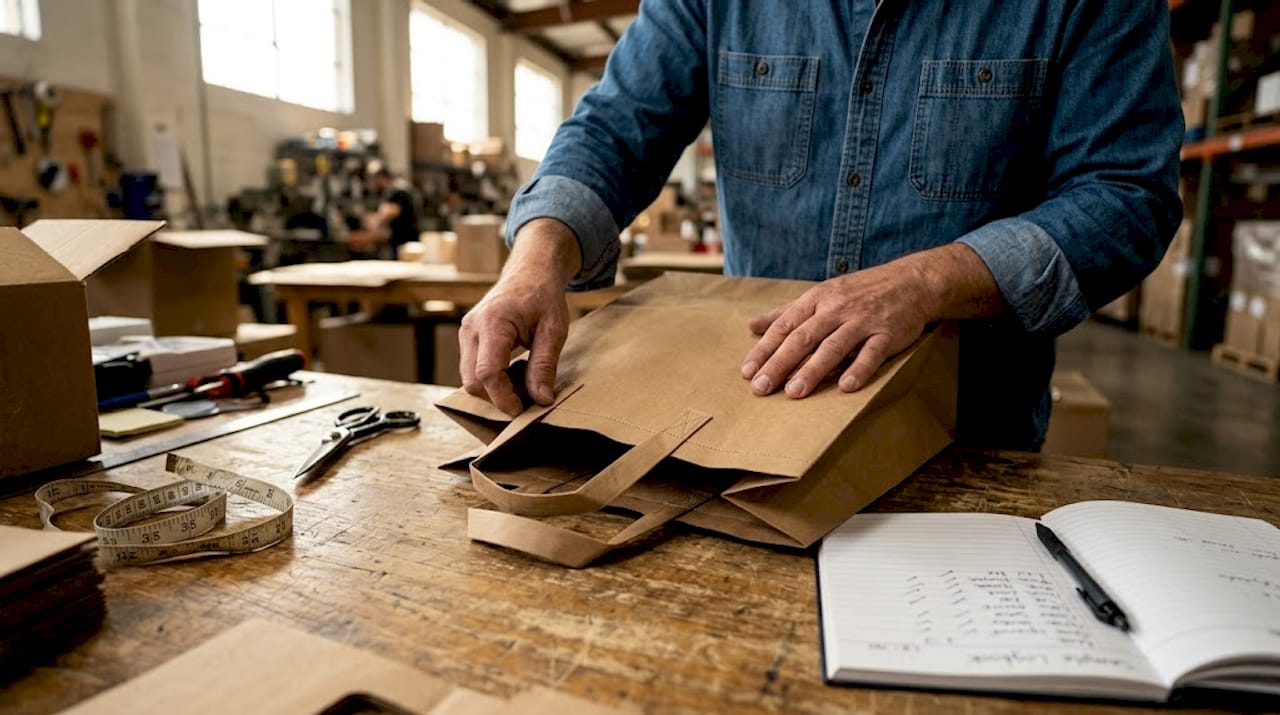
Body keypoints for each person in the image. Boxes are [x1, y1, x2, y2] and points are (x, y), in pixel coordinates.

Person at [459, 0, 1183, 451]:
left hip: (964, 443)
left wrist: (928, 282)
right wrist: (535, 260)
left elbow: (1126, 193)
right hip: (746, 433)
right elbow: (617, 128)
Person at [349, 162, 421, 259]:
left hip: (402, 244)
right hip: (409, 242)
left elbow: (387, 214)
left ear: (379, 178)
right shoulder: (403, 187)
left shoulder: (396, 191)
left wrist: (370, 227)